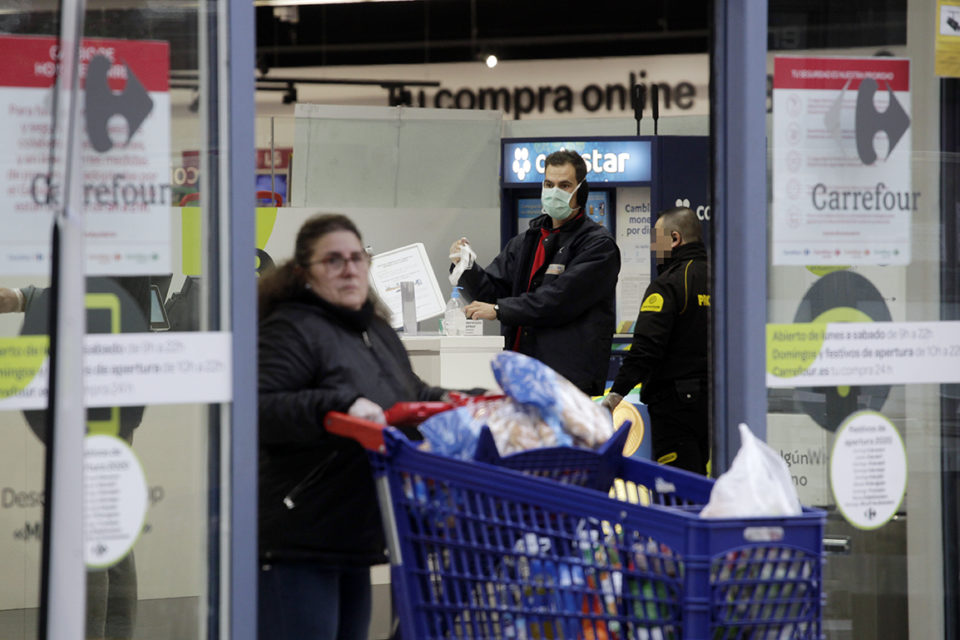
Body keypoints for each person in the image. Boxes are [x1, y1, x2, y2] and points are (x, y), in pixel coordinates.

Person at [257, 213, 449, 640]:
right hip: (298, 535)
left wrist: (465, 402)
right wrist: (339, 406)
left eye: (357, 258)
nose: (349, 269)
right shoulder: (290, 328)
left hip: (353, 536)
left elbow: (409, 393)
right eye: (333, 260)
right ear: (303, 274)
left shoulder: (374, 329)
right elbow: (262, 408)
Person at [450, 149, 620, 395]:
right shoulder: (527, 241)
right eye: (549, 184)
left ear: (581, 191)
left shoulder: (598, 245)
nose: (554, 192)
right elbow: (491, 293)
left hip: (566, 381)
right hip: (521, 373)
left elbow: (558, 300)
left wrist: (499, 310)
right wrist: (465, 266)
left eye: (564, 185)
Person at [601, 206, 710, 475]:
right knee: (704, 479)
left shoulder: (668, 285)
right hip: (715, 403)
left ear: (674, 239)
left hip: (675, 408)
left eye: (656, 240)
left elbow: (646, 348)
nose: (653, 248)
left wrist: (615, 395)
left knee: (677, 484)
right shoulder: (723, 281)